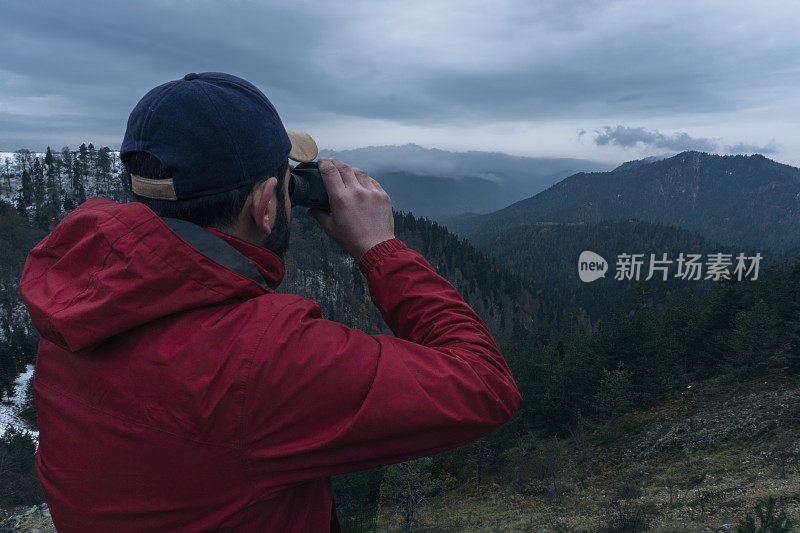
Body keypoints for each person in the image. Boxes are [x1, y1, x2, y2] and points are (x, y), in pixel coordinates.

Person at [19, 72, 522, 532]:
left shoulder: (75, 300)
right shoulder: (259, 359)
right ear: (265, 207)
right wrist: (381, 250)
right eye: (287, 181)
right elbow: (485, 384)